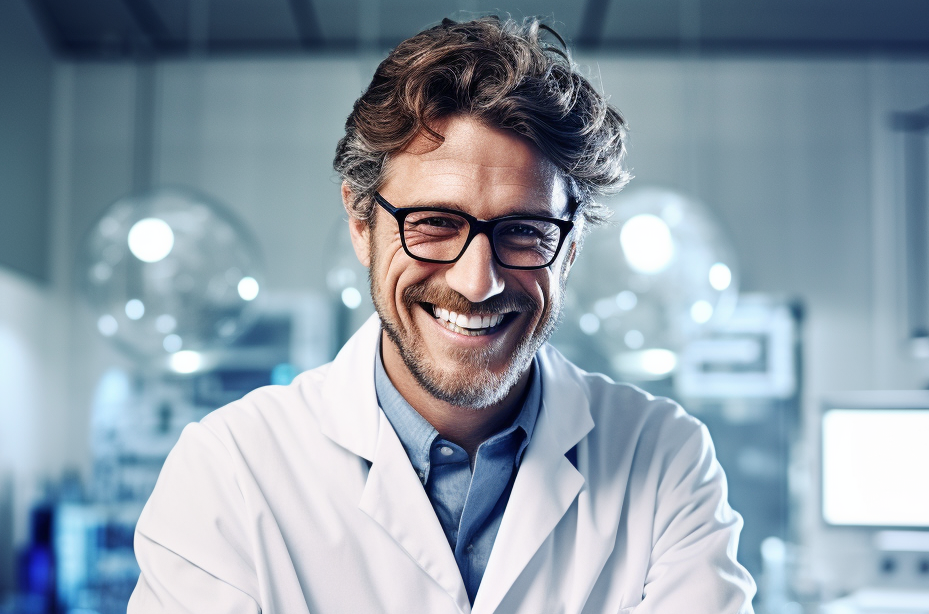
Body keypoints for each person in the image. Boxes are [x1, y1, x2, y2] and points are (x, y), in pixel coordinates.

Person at [128, 16, 756, 614]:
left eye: (524, 230)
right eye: (433, 223)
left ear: (571, 246)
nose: (476, 281)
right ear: (361, 222)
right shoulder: (230, 469)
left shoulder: (665, 457)